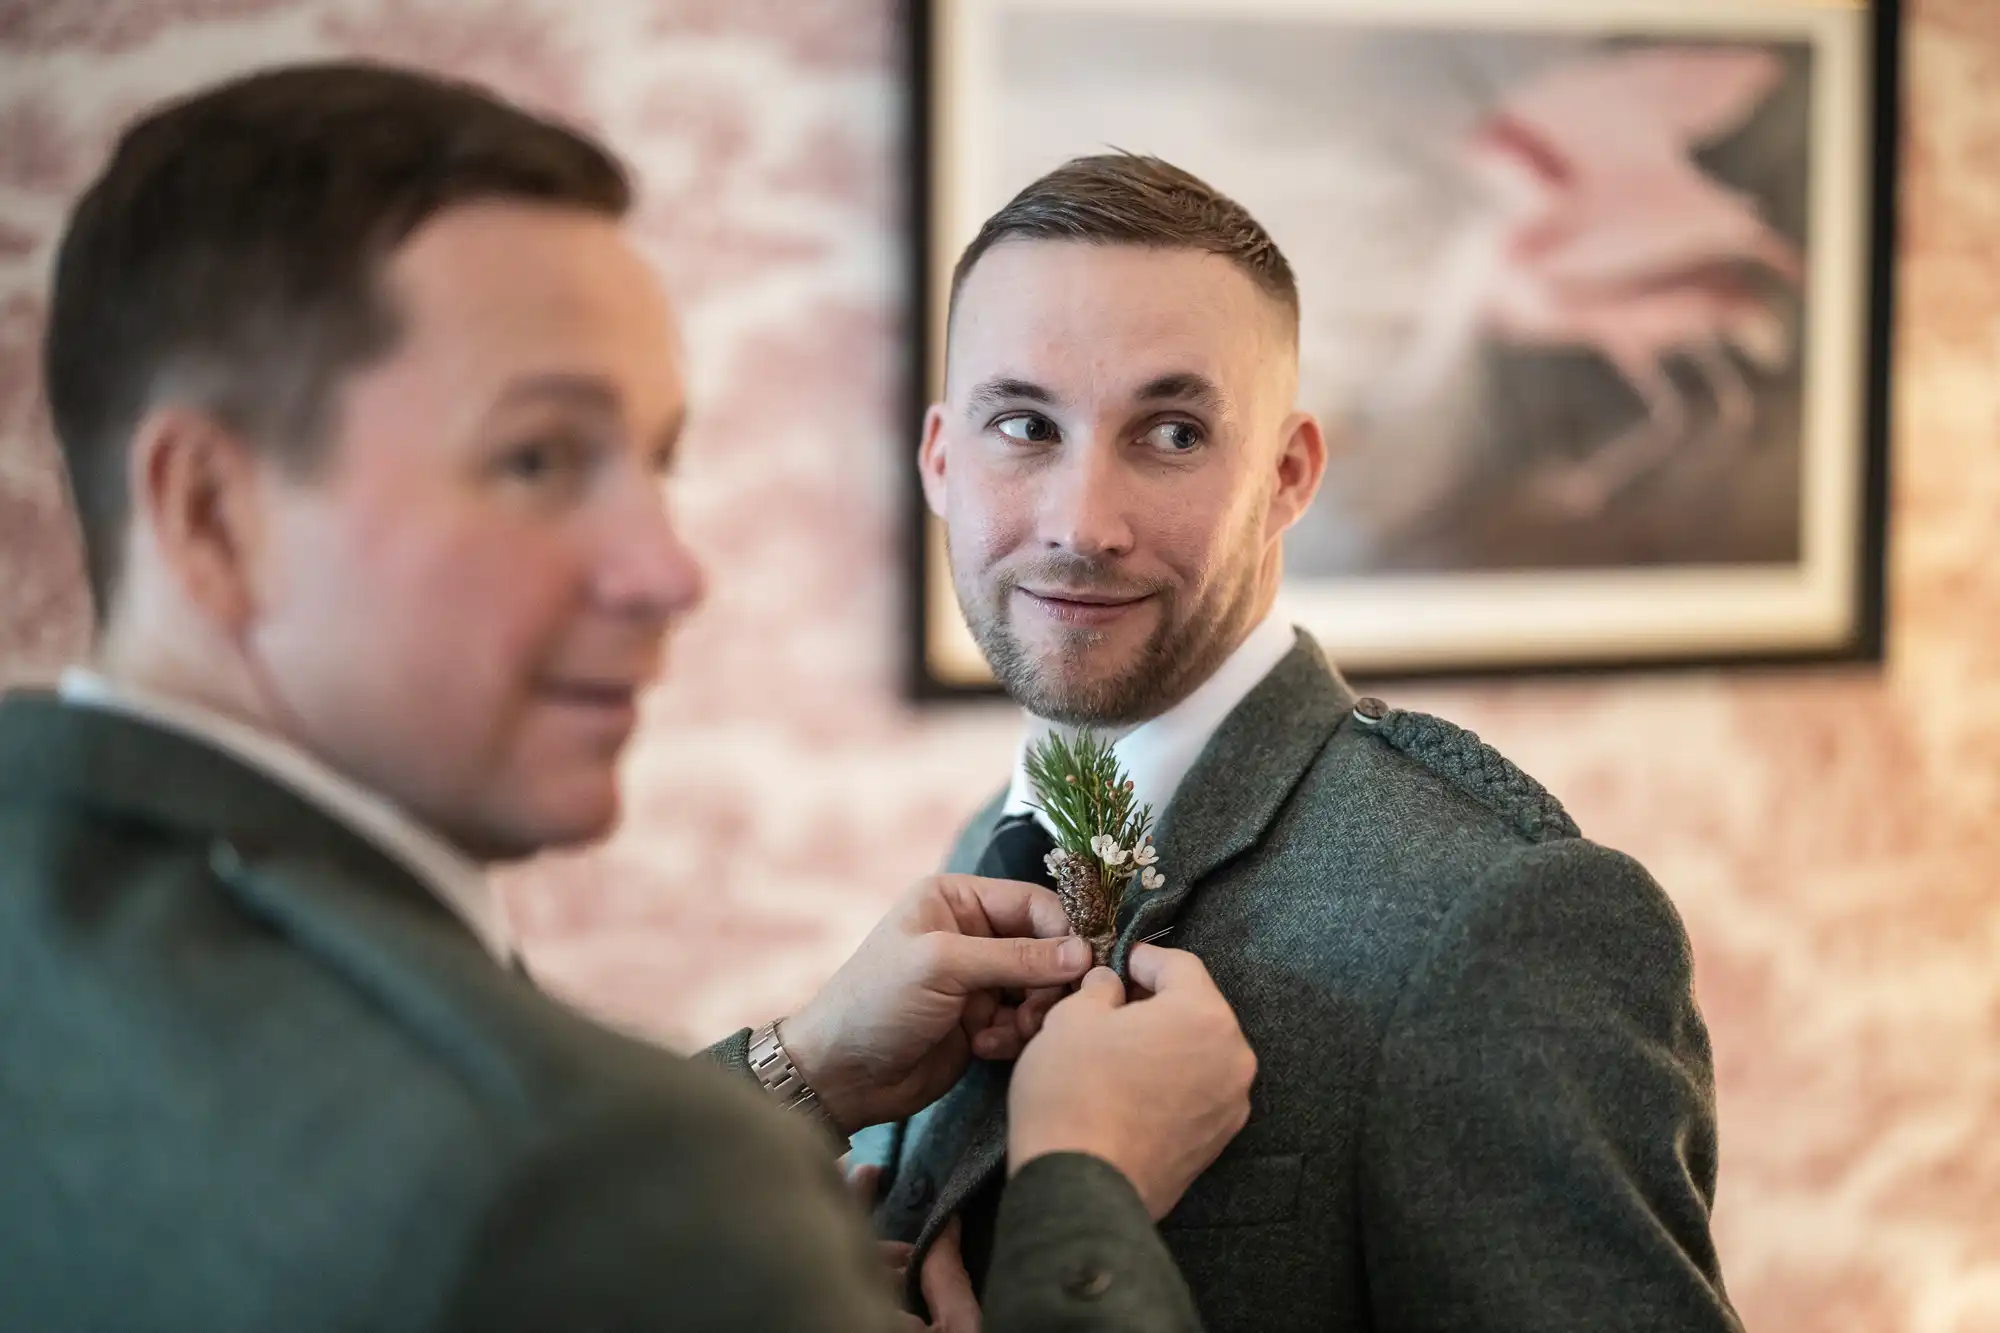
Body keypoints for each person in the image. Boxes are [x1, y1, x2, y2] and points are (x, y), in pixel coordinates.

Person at [0, 66, 1257, 1333]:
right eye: (538, 456)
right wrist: (1078, 1199)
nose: (669, 570)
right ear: (212, 513)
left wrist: (794, 1072)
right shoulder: (595, 1189)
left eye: (656, 460)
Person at [860, 154, 1743, 1332]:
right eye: (1023, 424)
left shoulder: (1496, 914)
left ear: (1286, 476)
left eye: (1170, 433)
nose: (1081, 525)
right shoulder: (993, 851)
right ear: (938, 460)